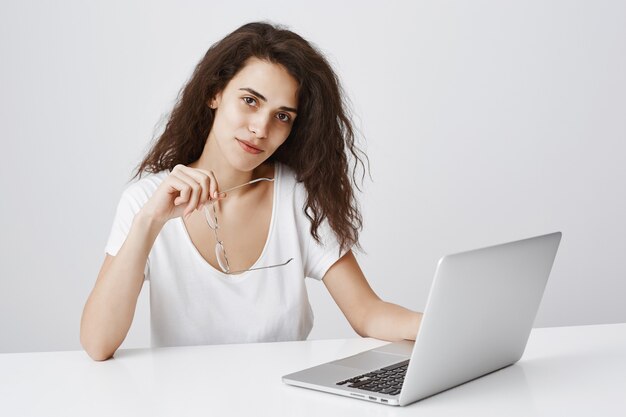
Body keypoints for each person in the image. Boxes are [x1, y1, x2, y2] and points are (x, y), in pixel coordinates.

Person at [80, 21, 422, 361]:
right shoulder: (145, 201)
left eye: (283, 116)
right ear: (215, 93)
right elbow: (98, 343)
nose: (261, 128)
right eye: (249, 101)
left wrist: (436, 326)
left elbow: (367, 313)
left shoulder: (297, 197)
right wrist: (150, 222)